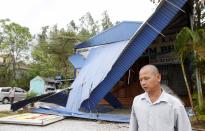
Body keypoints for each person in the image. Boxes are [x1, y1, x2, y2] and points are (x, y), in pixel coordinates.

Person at [129, 65, 192, 131]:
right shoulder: (137, 101)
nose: (143, 83)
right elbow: (133, 127)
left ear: (158, 77)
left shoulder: (174, 104)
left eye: (146, 78)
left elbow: (185, 128)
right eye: (140, 80)